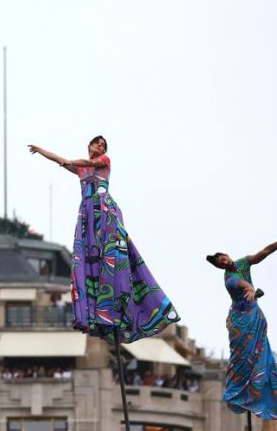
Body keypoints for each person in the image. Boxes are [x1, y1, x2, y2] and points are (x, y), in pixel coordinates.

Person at [29, 137, 178, 343]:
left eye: (103, 145)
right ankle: (98, 305)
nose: (100, 147)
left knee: (111, 253)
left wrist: (69, 162)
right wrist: (41, 150)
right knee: (89, 258)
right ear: (89, 145)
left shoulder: (103, 161)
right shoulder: (80, 170)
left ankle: (122, 299)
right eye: (97, 143)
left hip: (104, 211)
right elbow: (59, 159)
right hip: (88, 214)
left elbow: (87, 163)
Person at [206, 225, 277, 421]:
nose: (225, 262)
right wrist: (250, 288)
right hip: (241, 321)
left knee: (261, 356)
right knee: (242, 358)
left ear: (227, 255)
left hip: (254, 316)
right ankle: (240, 394)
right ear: (220, 267)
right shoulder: (230, 279)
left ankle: (261, 393)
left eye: (224, 258)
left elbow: (264, 253)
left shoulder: (242, 263)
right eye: (221, 263)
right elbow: (243, 285)